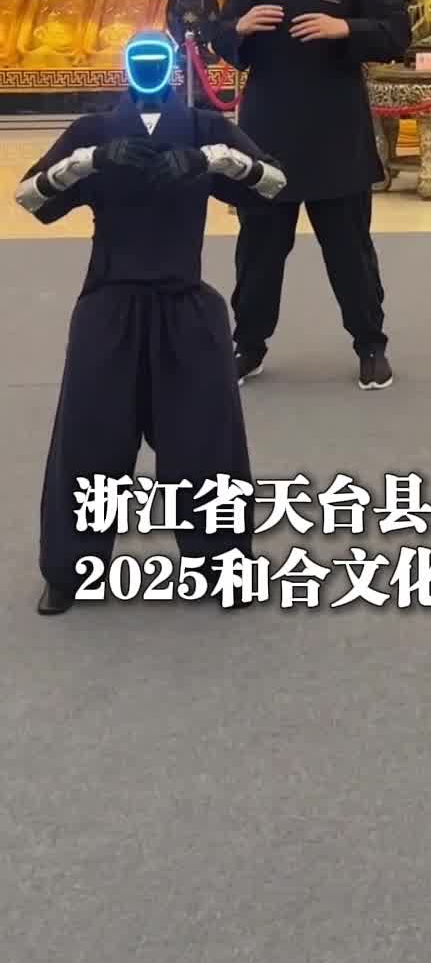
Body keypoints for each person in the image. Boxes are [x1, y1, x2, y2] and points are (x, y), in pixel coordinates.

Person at [18, 32, 286, 616]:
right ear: (125, 68)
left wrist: (211, 160)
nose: (145, 69)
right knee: (89, 438)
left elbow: (274, 183)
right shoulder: (93, 131)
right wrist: (88, 162)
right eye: (135, 60)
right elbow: (29, 198)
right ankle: (69, 568)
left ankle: (221, 563)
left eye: (154, 60)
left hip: (185, 302)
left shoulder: (203, 127)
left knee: (204, 441)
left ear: (172, 69)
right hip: (109, 302)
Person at [209, 0, 410, 390]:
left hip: (334, 130)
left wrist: (345, 29)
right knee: (258, 251)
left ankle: (370, 345)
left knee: (349, 251)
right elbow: (220, 36)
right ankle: (248, 345)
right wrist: (239, 27)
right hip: (268, 131)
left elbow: (397, 33)